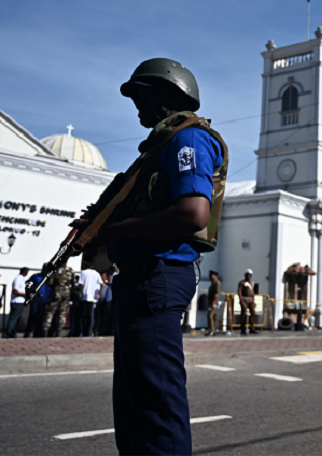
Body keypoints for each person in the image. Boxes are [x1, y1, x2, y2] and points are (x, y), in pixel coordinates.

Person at [71, 58, 228, 455]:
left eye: (144, 95)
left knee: (157, 406)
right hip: (140, 279)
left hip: (159, 276)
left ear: (170, 96)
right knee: (133, 404)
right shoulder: (160, 146)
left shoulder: (187, 140)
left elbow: (193, 214)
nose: (137, 105)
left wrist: (105, 232)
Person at [42, 265, 74, 338]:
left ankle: (45, 331)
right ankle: (58, 332)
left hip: (56, 292)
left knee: (49, 312)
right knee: (62, 314)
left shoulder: (55, 269)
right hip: (66, 293)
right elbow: (73, 282)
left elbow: (50, 282)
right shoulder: (70, 270)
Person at [78, 262, 104, 337]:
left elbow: (81, 284)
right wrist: (98, 294)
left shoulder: (83, 272)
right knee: (90, 316)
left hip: (84, 297)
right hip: (92, 298)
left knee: (83, 316)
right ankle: (89, 332)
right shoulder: (96, 273)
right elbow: (102, 284)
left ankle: (83, 332)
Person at [23, 266, 50, 338]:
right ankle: (28, 331)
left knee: (41, 317)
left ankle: (38, 333)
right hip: (36, 298)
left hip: (45, 299)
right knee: (33, 314)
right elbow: (27, 283)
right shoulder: (36, 276)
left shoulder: (50, 277)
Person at [6, 267, 29, 338]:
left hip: (20, 301)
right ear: (25, 272)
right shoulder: (18, 278)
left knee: (16, 319)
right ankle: (9, 334)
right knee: (13, 319)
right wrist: (26, 294)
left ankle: (13, 333)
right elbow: (15, 291)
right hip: (17, 301)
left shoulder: (22, 278)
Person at [238, 269, 258, 335]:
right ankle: (243, 329)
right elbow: (239, 292)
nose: (249, 276)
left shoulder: (252, 283)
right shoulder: (242, 283)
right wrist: (242, 301)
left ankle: (252, 328)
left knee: (253, 313)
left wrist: (254, 300)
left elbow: (253, 292)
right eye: (247, 275)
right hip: (245, 299)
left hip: (251, 300)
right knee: (244, 314)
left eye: (250, 275)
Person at [206, 270, 221, 336]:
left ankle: (211, 330)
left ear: (215, 276)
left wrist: (213, 302)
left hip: (213, 302)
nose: (209, 277)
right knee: (214, 316)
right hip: (212, 301)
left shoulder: (216, 283)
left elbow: (216, 293)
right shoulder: (213, 283)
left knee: (210, 316)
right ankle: (214, 330)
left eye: (211, 275)